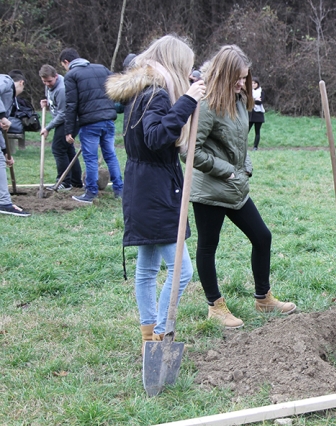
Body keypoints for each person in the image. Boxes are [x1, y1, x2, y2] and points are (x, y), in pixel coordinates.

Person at [105, 35, 205, 351]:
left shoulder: (140, 91)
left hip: (141, 186)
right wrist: (187, 100)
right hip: (155, 192)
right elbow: (155, 137)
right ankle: (161, 332)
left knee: (147, 269)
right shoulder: (157, 94)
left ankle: (149, 334)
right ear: (175, 64)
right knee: (183, 270)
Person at [191, 45, 296, 328]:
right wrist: (226, 171)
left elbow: (239, 141)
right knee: (208, 246)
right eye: (237, 78)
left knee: (262, 237)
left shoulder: (238, 100)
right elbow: (189, 150)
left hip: (235, 186)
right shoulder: (207, 103)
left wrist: (245, 165)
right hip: (210, 190)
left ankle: (263, 299)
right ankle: (216, 306)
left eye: (244, 78)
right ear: (223, 74)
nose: (242, 84)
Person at [60, 47, 124, 203]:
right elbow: (117, 87)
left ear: (66, 62)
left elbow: (71, 105)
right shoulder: (101, 69)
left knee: (90, 158)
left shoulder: (71, 75)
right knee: (110, 155)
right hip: (108, 120)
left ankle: (91, 193)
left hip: (90, 123)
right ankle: (120, 190)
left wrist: (69, 130)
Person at [39, 64, 83, 191]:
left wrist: (47, 128)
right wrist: (47, 102)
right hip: (64, 120)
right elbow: (54, 101)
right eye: (44, 81)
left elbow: (63, 113)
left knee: (58, 148)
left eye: (49, 81)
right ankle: (76, 182)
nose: (47, 84)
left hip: (69, 121)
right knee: (68, 150)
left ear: (56, 76)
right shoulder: (50, 86)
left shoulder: (62, 89)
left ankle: (64, 182)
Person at [0, 71, 30, 217]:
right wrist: (2, 116)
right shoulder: (6, 81)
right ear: (21, 83)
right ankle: (4, 203)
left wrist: (5, 151)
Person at [248, 79, 266, 151]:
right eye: (252, 83)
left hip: (258, 114)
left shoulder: (261, 92)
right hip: (250, 114)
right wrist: (255, 100)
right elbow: (247, 101)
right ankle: (243, 145)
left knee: (257, 131)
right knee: (246, 131)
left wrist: (252, 100)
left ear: (257, 84)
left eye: (255, 83)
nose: (253, 85)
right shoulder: (248, 92)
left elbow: (260, 102)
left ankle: (255, 147)